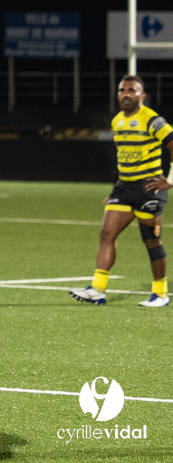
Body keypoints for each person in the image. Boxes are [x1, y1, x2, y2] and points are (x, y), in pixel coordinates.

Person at [70, 74, 173, 308]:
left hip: (148, 188)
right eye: (122, 90)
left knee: (151, 240)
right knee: (107, 234)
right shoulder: (117, 121)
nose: (126, 94)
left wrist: (170, 180)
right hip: (124, 188)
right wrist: (118, 189)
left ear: (142, 95)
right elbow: (125, 157)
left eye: (131, 90)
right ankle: (97, 289)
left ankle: (160, 294)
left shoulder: (152, 120)